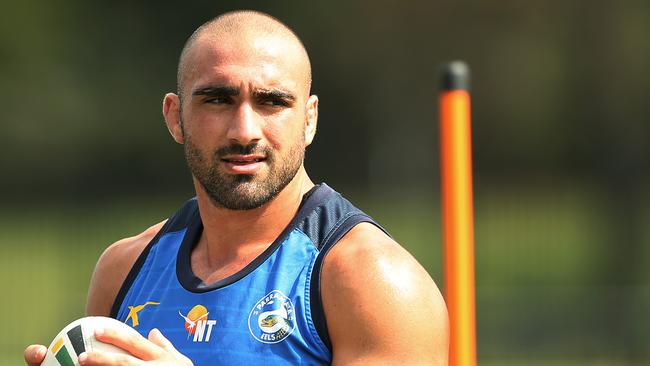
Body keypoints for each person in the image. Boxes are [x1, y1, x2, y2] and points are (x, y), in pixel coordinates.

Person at [25, 10, 449, 365]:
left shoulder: (374, 284)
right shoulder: (124, 270)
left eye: (272, 102)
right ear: (176, 117)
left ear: (309, 119)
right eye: (217, 99)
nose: (244, 131)